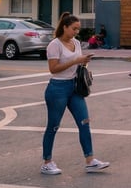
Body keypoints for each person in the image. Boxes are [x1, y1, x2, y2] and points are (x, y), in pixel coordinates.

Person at [40, 12, 110, 175]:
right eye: (74, 29)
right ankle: (47, 162)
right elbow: (53, 69)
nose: (76, 32)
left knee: (84, 122)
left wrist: (83, 62)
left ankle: (90, 160)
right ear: (64, 27)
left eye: (78, 29)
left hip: (74, 87)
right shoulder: (54, 45)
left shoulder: (77, 43)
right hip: (58, 88)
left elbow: (77, 64)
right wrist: (75, 60)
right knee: (53, 125)